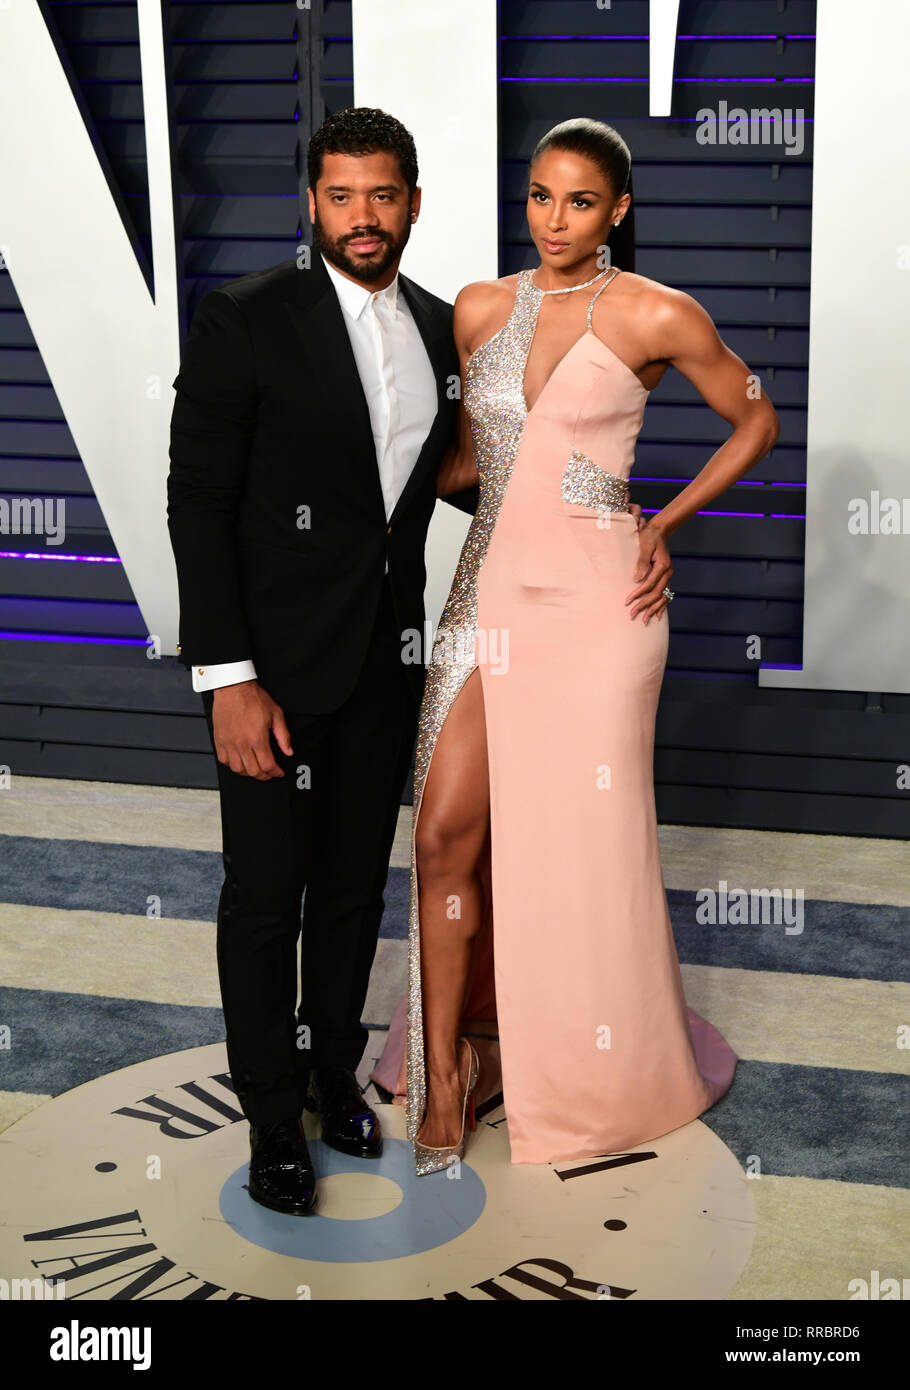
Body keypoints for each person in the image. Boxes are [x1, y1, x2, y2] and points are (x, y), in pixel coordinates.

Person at [372, 117, 779, 1174]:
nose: (557, 220)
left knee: (579, 850)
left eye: (581, 202)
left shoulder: (656, 312)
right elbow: (468, 462)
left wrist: (660, 521)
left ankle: (586, 1067)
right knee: (444, 833)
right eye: (542, 197)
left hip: (603, 609)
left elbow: (755, 418)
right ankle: (450, 1066)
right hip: (487, 595)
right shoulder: (478, 308)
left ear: (619, 211)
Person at [167, 107, 476, 1215]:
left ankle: (327, 1070)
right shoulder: (245, 319)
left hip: (385, 667)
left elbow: (449, 482)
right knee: (265, 898)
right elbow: (197, 505)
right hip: (271, 677)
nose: (363, 216)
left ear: (413, 203)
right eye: (341, 195)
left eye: (382, 195)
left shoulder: (443, 330)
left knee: (351, 889)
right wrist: (228, 677)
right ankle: (268, 1123)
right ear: (313, 204)